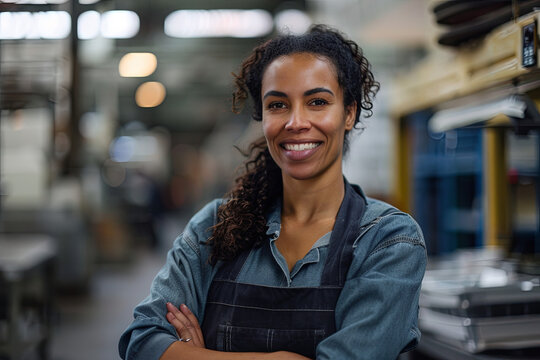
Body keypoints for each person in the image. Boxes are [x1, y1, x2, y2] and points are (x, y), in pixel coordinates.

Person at [119, 24, 427, 360]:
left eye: (318, 102)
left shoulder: (388, 240)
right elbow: (142, 342)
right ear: (263, 117)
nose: (296, 121)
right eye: (278, 105)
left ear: (349, 112)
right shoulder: (213, 227)